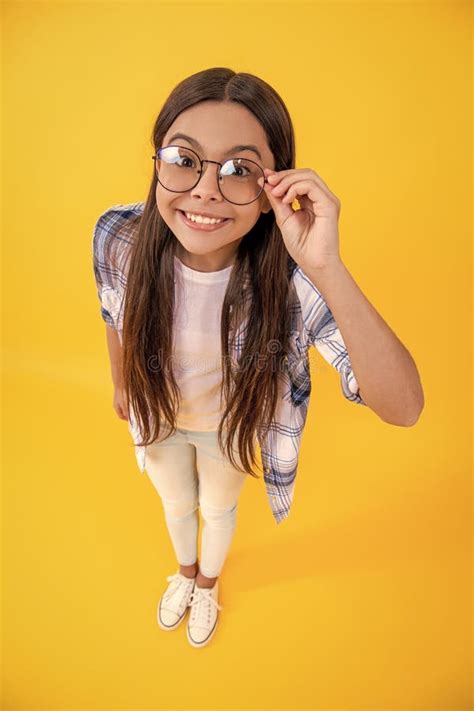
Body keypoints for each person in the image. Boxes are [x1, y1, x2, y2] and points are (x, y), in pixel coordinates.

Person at [92, 67, 424, 649]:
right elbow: (113, 309)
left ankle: (209, 586)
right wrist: (121, 382)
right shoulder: (118, 233)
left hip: (231, 428)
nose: (205, 190)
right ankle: (186, 573)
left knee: (217, 512)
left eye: (239, 170)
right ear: (157, 164)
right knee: (175, 503)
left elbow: (404, 408)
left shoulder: (293, 281)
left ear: (275, 191)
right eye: (183, 158)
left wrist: (327, 266)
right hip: (159, 417)